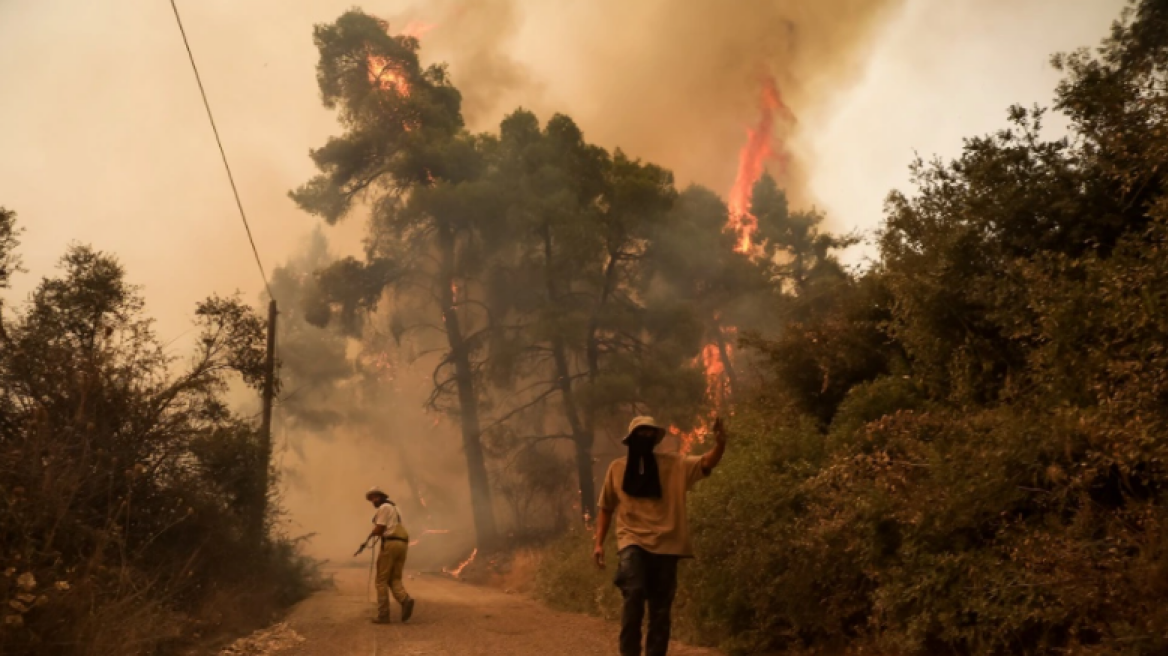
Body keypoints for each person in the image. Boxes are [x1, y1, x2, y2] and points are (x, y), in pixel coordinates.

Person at [593, 416, 727, 656]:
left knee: (660, 609)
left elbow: (706, 462)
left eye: (649, 435)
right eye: (640, 435)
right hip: (631, 539)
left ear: (655, 439)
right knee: (633, 593)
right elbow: (606, 508)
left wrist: (720, 444)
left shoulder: (674, 465)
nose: (645, 439)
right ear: (631, 440)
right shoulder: (617, 469)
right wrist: (598, 544)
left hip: (667, 543)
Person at [362, 486, 416, 624]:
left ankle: (383, 615)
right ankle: (405, 600)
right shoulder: (396, 508)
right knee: (395, 578)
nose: (373, 500)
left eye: (375, 497)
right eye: (372, 498)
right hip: (402, 543)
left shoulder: (384, 507)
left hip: (391, 543)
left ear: (381, 496)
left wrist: (373, 533)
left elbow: (380, 528)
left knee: (381, 580)